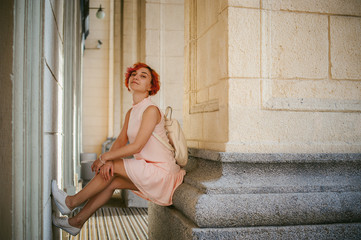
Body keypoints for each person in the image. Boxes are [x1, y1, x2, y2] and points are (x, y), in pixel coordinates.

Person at [52, 62, 186, 236]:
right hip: (149, 169)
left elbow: (136, 146)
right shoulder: (132, 112)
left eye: (143, 76)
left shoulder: (151, 110)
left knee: (111, 170)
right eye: (134, 74)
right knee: (112, 181)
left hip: (162, 172)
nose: (136, 77)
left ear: (151, 86)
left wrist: (105, 158)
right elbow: (121, 140)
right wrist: (109, 159)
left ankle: (70, 202)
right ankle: (76, 222)